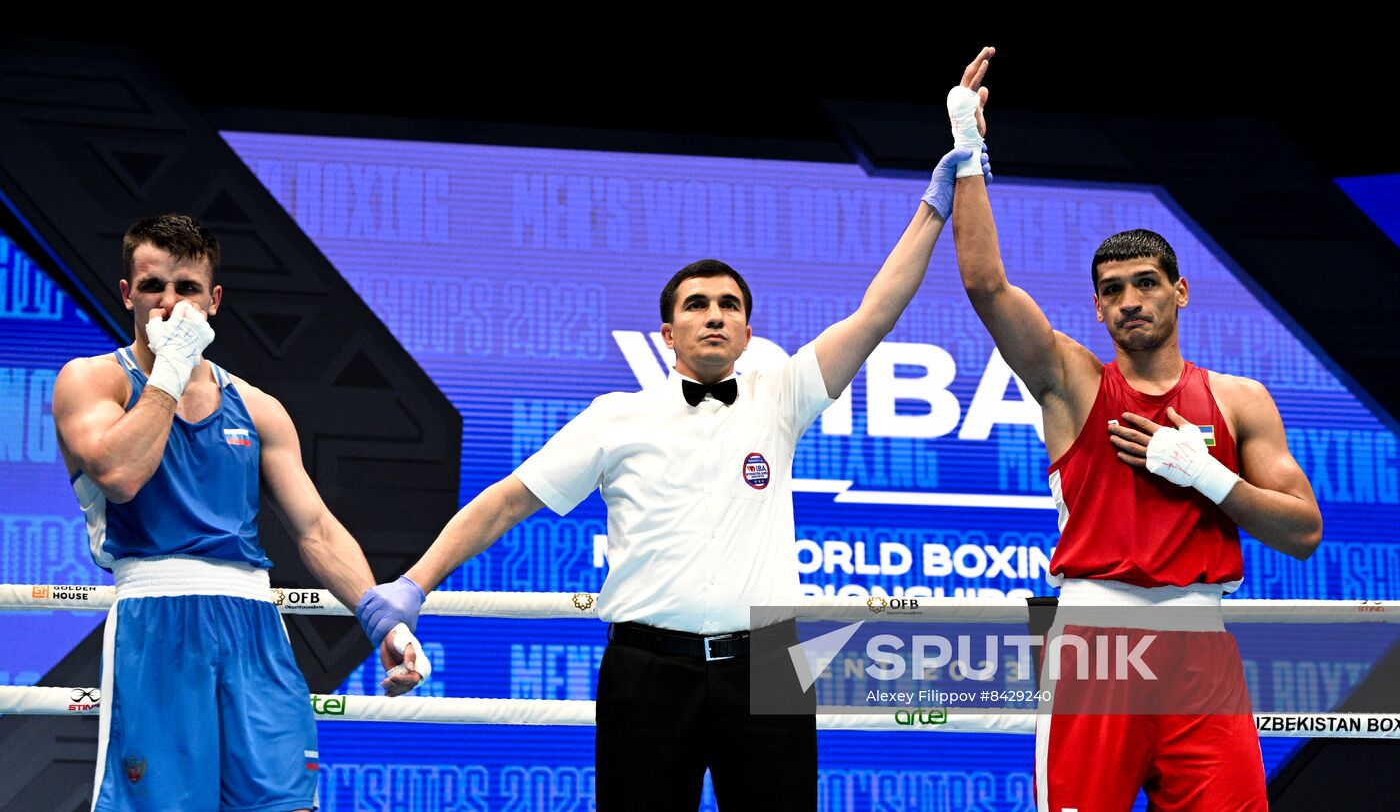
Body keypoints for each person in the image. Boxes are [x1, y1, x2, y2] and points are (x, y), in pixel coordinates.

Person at [354, 49, 997, 809]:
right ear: (667, 332)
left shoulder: (781, 392)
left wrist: (942, 188)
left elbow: (877, 310)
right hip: (646, 669)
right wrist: (411, 585)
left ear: (749, 327)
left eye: (728, 303)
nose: (715, 313)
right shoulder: (615, 417)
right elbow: (503, 503)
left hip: (772, 667)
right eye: (697, 304)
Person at [945, 75, 1323, 810]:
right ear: (1096, 305)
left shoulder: (1240, 400)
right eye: (1112, 289)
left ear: (1179, 291)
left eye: (1145, 283)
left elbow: (1305, 531)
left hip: (1202, 650)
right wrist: (967, 151)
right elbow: (987, 287)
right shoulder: (1071, 381)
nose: (1129, 301)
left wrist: (1210, 476)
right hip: (1096, 646)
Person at [53, 214, 422, 812]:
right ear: (127, 294)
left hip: (255, 626)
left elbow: (317, 530)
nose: (170, 304)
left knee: (284, 804)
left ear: (214, 300)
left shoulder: (257, 407)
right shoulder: (92, 381)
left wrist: (383, 619)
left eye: (187, 288)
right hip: (157, 618)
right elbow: (119, 477)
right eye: (153, 287)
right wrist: (170, 369)